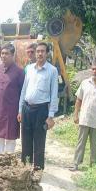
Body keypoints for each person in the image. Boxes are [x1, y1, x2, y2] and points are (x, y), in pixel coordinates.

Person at [18, 42, 58, 170]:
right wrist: (20, 110)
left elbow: (54, 94)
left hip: (41, 110)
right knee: (26, 139)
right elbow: (24, 90)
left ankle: (38, 169)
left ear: (47, 53)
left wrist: (51, 116)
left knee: (39, 141)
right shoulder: (29, 68)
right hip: (27, 108)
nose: (40, 53)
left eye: (42, 51)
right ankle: (25, 167)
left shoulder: (52, 70)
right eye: (38, 51)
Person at [70, 61, 96, 171]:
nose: (95, 71)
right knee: (80, 143)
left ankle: (93, 167)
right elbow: (78, 99)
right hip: (84, 119)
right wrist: (75, 114)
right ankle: (76, 164)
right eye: (93, 69)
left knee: (94, 145)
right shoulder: (85, 83)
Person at [0, 44, 25, 153]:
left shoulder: (19, 72)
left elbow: (22, 92)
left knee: (10, 138)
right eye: (2, 53)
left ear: (12, 55)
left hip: (12, 110)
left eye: (7, 54)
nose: (3, 56)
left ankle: (9, 162)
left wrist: (20, 110)